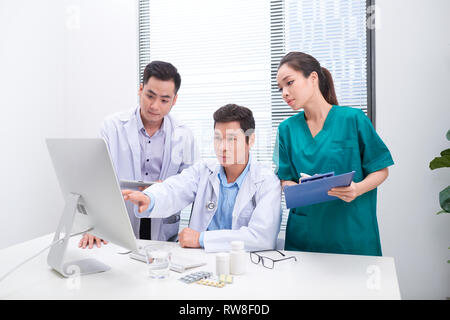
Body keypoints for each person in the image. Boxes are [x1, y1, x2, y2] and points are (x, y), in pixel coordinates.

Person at [274, 51, 394, 256]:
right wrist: (300, 189)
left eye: (289, 83)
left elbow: (381, 170)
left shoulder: (353, 119)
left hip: (351, 235)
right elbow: (285, 179)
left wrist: (356, 188)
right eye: (280, 88)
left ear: (313, 78)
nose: (284, 92)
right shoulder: (286, 129)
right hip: (305, 237)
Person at [122, 104, 282, 252]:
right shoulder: (204, 170)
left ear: (251, 140)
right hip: (199, 261)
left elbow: (263, 237)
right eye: (218, 138)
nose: (222, 147)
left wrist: (201, 239)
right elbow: (175, 188)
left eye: (232, 139)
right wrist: (150, 199)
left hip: (243, 264)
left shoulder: (266, 181)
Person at [79, 61, 198, 249]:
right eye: (150, 96)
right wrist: (94, 225)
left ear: (174, 100)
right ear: (140, 90)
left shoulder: (184, 135)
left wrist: (165, 190)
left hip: (162, 224)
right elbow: (96, 179)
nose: (155, 106)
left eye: (164, 100)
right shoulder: (112, 127)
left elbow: (190, 185)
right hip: (118, 220)